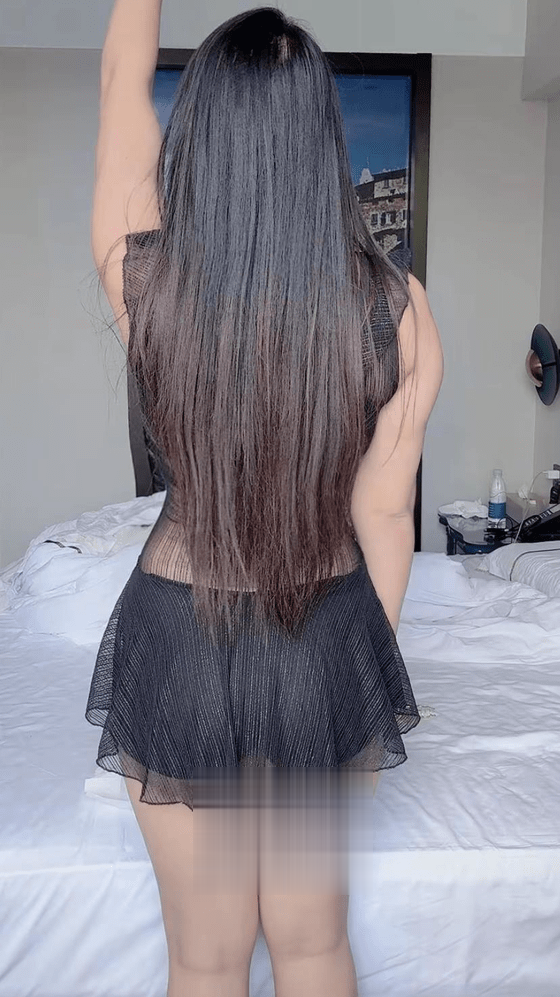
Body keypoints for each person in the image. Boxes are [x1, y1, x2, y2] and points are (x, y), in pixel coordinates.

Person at [85, 3, 444, 996]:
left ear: (200, 131)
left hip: (177, 634)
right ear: (320, 138)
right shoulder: (396, 308)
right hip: (320, 635)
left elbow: (119, 88)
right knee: (313, 943)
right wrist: (357, 675)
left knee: (203, 955)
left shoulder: (143, 278)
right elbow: (385, 515)